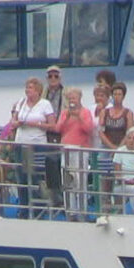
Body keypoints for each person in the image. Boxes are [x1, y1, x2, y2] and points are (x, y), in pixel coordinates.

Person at [10, 76, 57, 217]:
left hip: (37, 145)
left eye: (30, 88)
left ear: (38, 90)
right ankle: (23, 208)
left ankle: (38, 208)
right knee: (22, 177)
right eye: (26, 87)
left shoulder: (45, 104)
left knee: (36, 176)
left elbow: (52, 125)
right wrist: (17, 123)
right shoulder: (21, 102)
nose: (27, 90)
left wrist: (37, 124)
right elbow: (13, 121)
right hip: (21, 144)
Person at [55, 87, 96, 218]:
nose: (71, 100)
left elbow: (89, 129)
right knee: (68, 181)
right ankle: (70, 211)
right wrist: (66, 117)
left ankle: (83, 211)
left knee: (81, 181)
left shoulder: (85, 112)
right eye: (69, 98)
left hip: (81, 149)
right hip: (66, 150)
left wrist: (79, 117)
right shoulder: (64, 113)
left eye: (74, 98)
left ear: (79, 98)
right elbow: (57, 129)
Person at [97, 81, 134, 213]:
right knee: (105, 178)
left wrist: (119, 149)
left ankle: (119, 209)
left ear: (123, 96)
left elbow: (130, 132)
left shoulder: (128, 113)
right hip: (106, 147)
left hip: (122, 147)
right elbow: (100, 131)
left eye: (119, 94)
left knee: (119, 179)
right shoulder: (105, 112)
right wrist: (111, 147)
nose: (117, 96)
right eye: (115, 94)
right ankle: (105, 208)